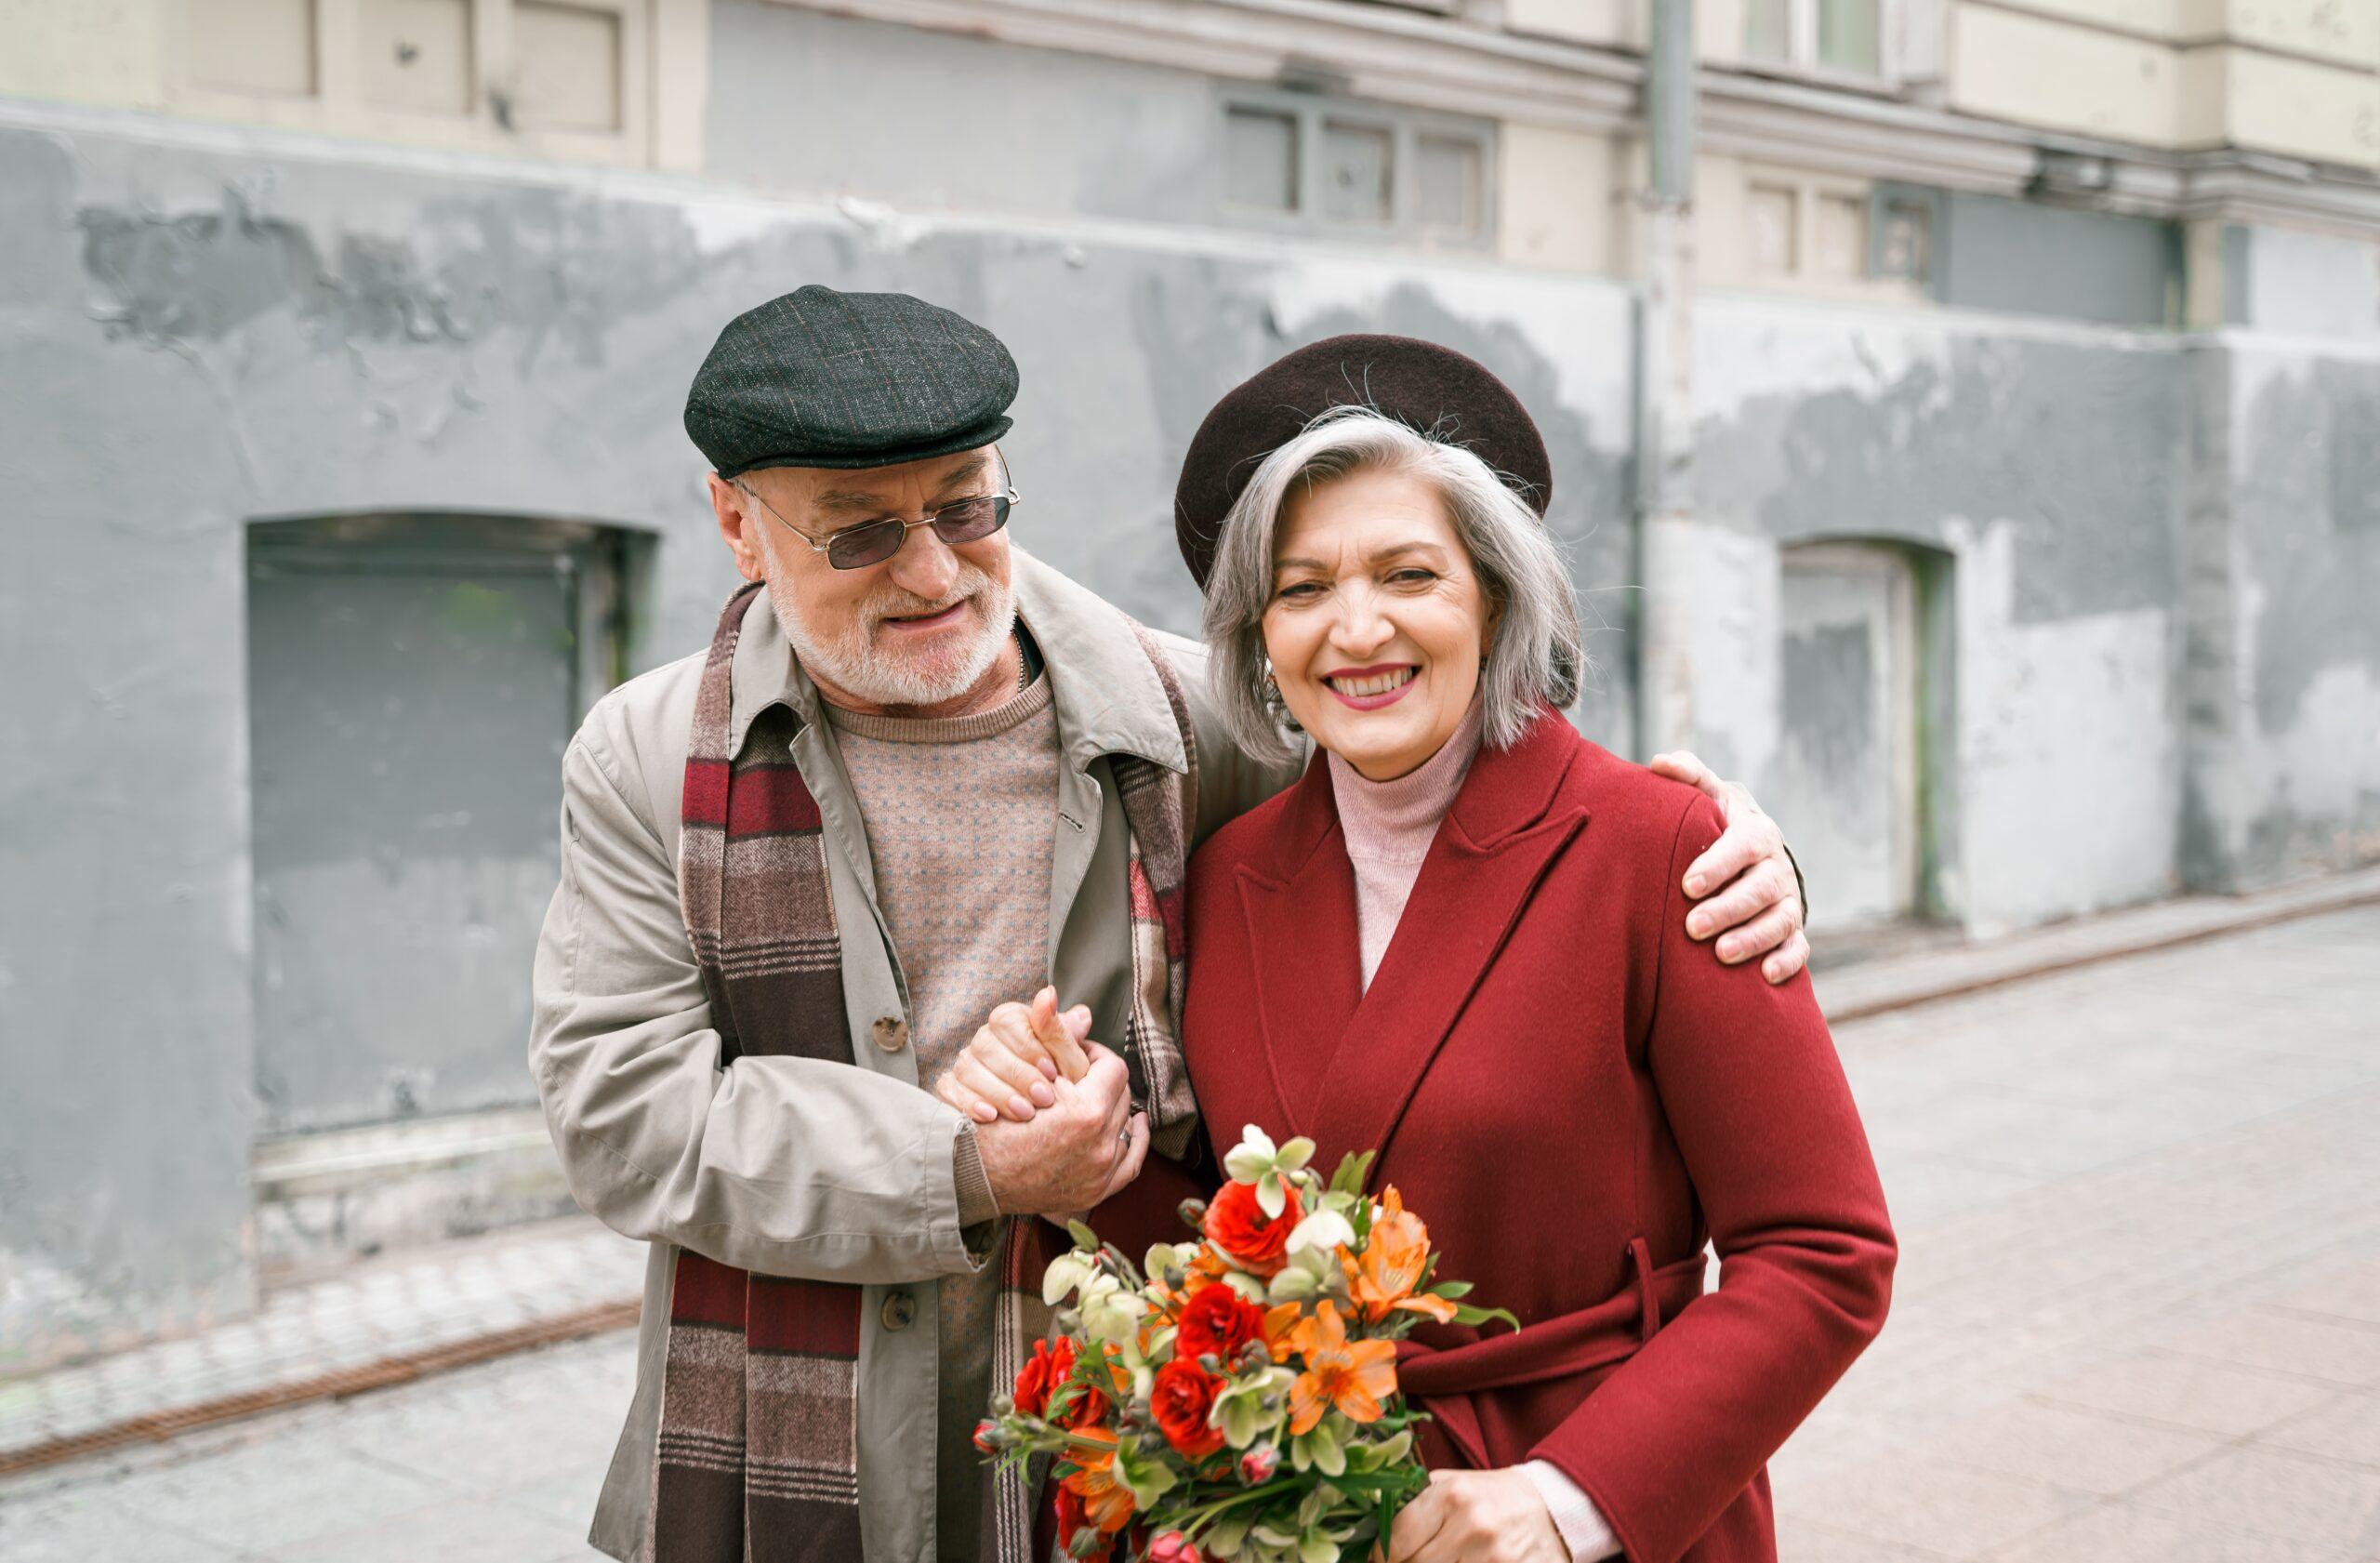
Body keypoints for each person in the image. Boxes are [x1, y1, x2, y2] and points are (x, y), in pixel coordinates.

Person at [529, 290, 1813, 1563]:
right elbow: (620, 1109)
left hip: (1121, 1452)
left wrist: (1729, 849)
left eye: (967, 509)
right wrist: (966, 1163)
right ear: (737, 524)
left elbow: (1449, 806)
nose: (932, 569)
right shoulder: (648, 758)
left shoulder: (1198, 721)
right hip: (782, 1445)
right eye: (861, 534)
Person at [936, 337, 1893, 1563]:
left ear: (1493, 596)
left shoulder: (1665, 851)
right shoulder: (1232, 871)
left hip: (1597, 1515)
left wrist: (1570, 1495)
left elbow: (1824, 1249)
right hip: (1308, 1508)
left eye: (1407, 573)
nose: (1356, 627)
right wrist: (1079, 1144)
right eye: (1302, 588)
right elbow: (1260, 1224)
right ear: (1261, 638)